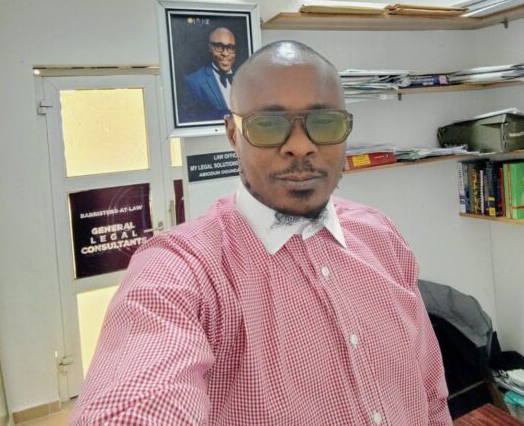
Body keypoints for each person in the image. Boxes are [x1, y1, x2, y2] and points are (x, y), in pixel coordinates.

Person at [72, 41, 452, 425]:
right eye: (268, 125)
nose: (300, 146)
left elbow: (431, 395)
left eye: (324, 123)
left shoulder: (381, 235)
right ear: (233, 135)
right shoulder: (182, 270)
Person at [181, 27, 237, 122]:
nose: (225, 53)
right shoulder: (193, 82)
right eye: (219, 47)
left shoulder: (244, 77)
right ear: (209, 48)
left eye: (230, 48)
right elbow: (189, 120)